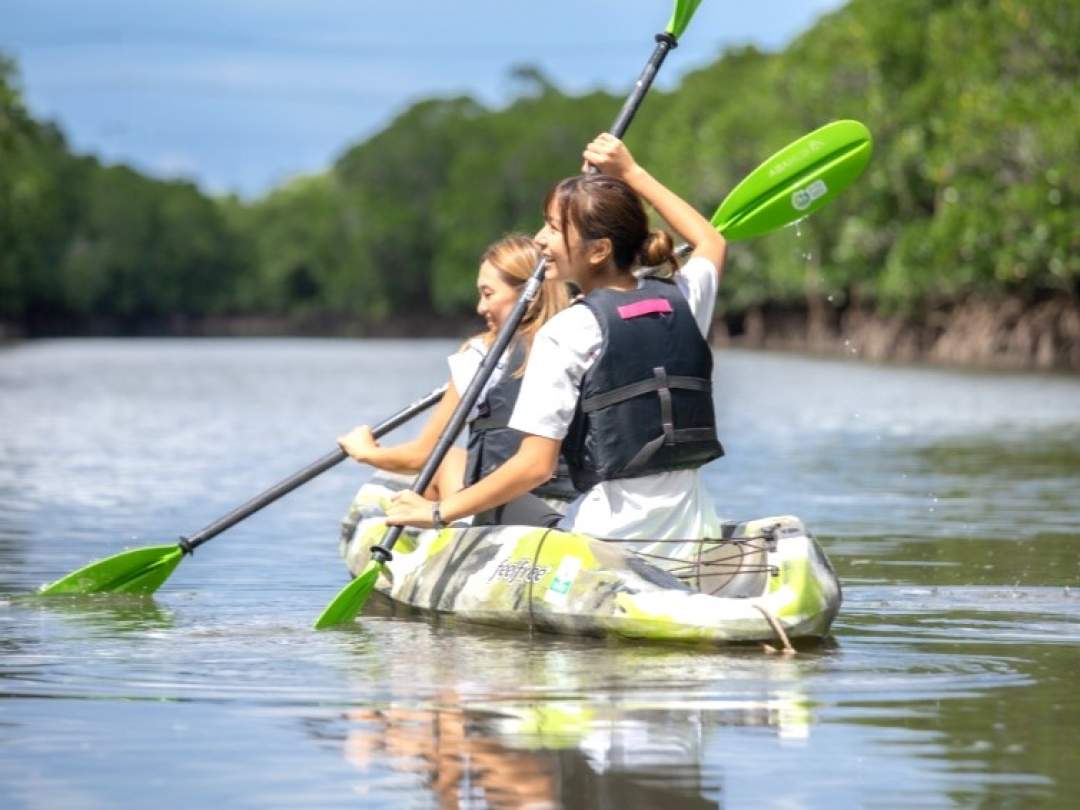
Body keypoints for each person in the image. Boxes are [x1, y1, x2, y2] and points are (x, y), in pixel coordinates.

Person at [386, 132, 727, 540]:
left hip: (608, 538)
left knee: (466, 489)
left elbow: (535, 467)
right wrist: (632, 173)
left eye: (551, 227)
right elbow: (711, 240)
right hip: (690, 529)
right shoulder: (683, 299)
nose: (539, 240)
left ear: (599, 250)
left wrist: (439, 512)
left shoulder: (567, 330)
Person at [337, 234, 577, 524]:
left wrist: (367, 452)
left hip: (506, 508)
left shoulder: (481, 355)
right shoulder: (580, 338)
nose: (480, 307)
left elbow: (422, 455)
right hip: (573, 506)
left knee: (448, 458)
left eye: (488, 294)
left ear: (529, 293)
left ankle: (442, 537)